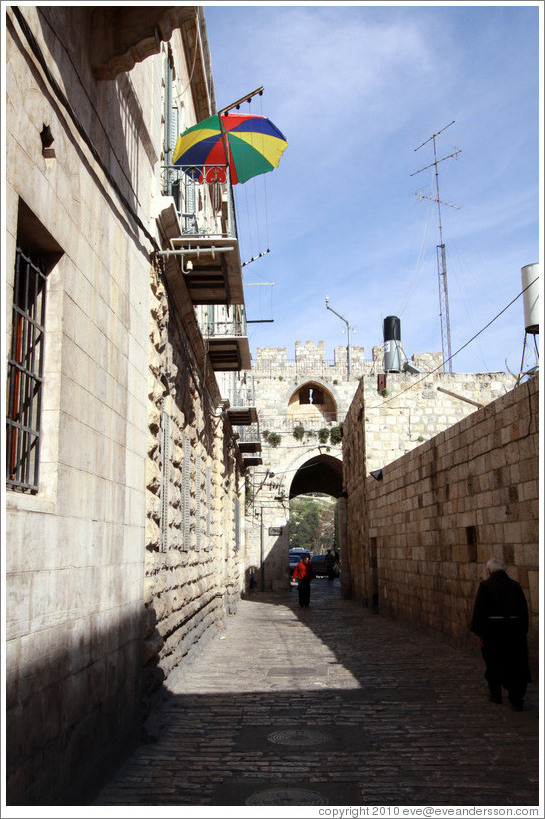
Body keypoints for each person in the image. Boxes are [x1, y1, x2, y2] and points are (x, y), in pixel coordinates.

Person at [470, 558, 531, 711]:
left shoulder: (485, 587)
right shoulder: (515, 586)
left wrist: (479, 633)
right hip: (514, 631)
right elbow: (523, 610)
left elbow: (479, 612)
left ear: (489, 571)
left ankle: (496, 694)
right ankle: (516, 697)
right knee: (516, 663)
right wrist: (523, 630)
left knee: (493, 662)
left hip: (493, 632)